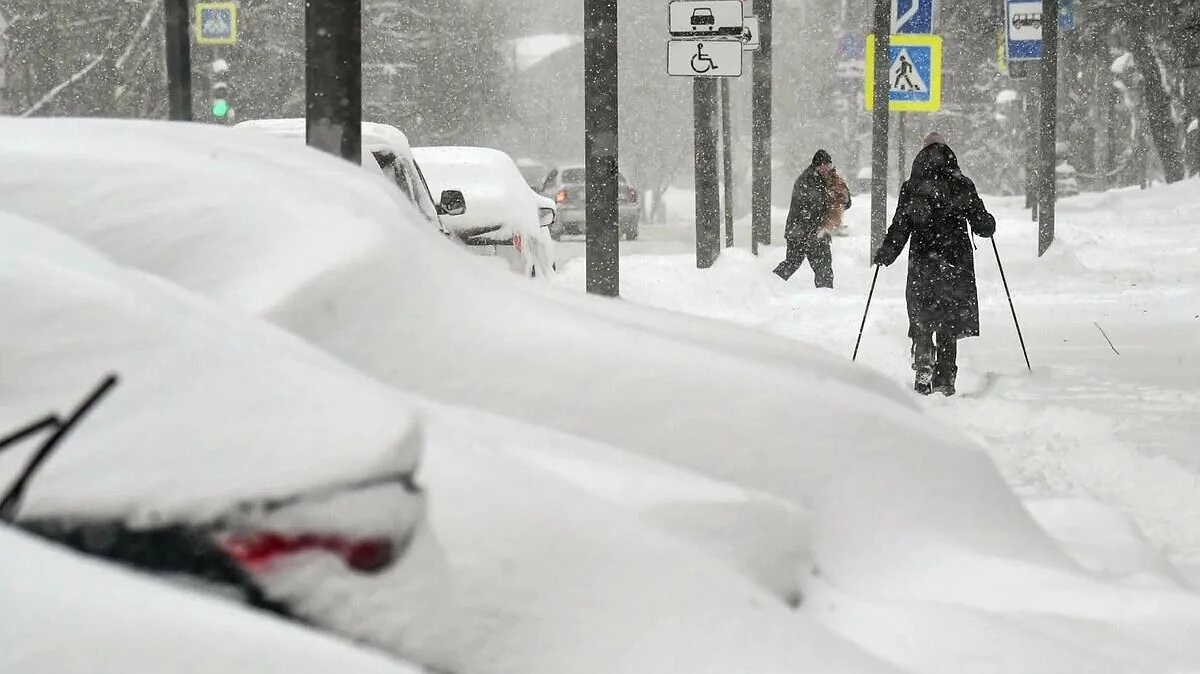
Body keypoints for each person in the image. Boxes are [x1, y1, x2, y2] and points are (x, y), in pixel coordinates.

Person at [872, 132, 996, 396]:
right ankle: (945, 379)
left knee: (923, 314)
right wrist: (987, 223)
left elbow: (900, 226)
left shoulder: (912, 186)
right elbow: (982, 224)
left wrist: (887, 252)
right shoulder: (962, 184)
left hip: (923, 260)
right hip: (955, 260)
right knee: (949, 319)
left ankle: (923, 364)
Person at [774, 150, 852, 288]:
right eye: (821, 165)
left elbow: (846, 203)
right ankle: (767, 286)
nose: (825, 167)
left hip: (816, 230)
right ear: (815, 166)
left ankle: (824, 294)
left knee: (823, 267)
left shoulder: (832, 179)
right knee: (793, 262)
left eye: (827, 164)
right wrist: (829, 200)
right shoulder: (807, 180)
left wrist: (842, 198)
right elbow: (811, 206)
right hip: (801, 231)